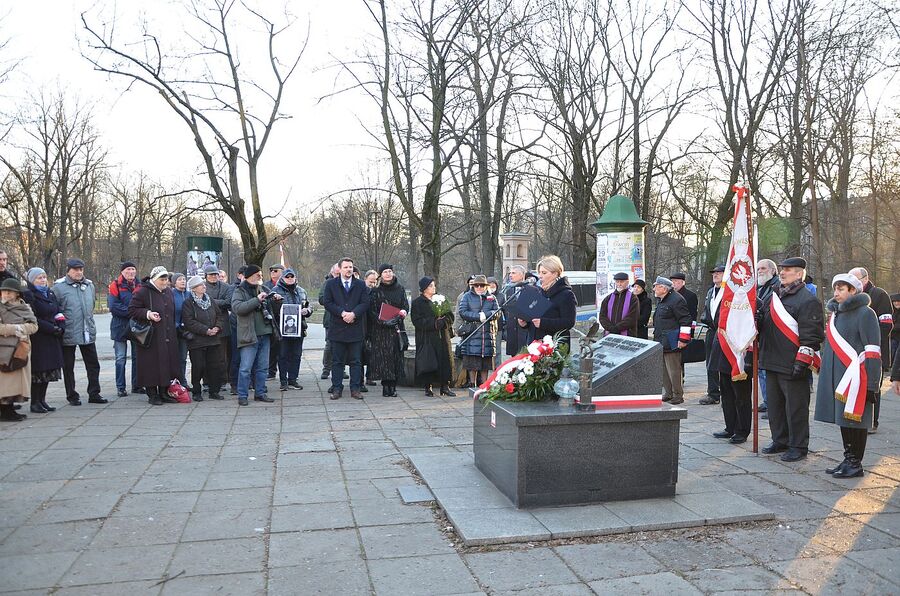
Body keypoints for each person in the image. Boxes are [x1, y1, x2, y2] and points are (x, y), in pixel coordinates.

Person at [814, 274, 881, 478]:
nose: (836, 293)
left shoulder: (865, 313)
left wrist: (872, 383)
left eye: (841, 288)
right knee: (843, 419)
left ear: (853, 291)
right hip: (839, 377)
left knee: (856, 421)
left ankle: (855, 463)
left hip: (857, 379)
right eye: (835, 288)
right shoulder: (837, 314)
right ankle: (848, 457)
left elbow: (872, 350)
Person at [757, 257, 824, 462]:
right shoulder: (774, 296)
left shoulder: (808, 300)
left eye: (788, 270)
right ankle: (780, 439)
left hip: (792, 362)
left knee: (795, 408)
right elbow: (764, 322)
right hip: (771, 359)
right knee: (775, 407)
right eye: (782, 270)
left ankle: (798, 445)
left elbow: (811, 336)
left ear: (799, 274)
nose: (783, 273)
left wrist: (802, 362)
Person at [53, 258, 106, 405]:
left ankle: (94, 393)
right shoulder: (59, 287)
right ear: (68, 270)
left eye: (81, 269)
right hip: (68, 332)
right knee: (68, 366)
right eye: (75, 269)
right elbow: (55, 309)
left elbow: (92, 306)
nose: (78, 272)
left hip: (87, 331)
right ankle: (72, 395)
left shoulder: (89, 285)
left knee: (93, 365)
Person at [128, 267, 182, 406]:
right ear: (154, 279)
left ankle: (164, 392)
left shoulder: (168, 291)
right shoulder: (143, 291)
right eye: (162, 279)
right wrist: (148, 314)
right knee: (151, 364)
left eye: (166, 279)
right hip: (151, 335)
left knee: (167, 363)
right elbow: (132, 309)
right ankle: (152, 394)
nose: (165, 282)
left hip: (167, 333)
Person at [707, 283, 752, 444]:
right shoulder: (724, 300)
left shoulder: (752, 301)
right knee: (726, 395)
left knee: (741, 397)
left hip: (740, 357)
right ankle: (730, 427)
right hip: (723, 354)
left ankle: (741, 430)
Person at [850, 267, 892, 434]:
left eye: (855, 278)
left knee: (873, 387)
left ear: (865, 279)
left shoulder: (879, 295)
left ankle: (872, 421)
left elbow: (886, 325)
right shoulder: (852, 296)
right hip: (854, 353)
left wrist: (869, 341)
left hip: (874, 351)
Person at [322, 258, 370, 400]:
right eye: (346, 267)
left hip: (355, 329)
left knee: (356, 361)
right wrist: (342, 313)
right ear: (340, 269)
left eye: (351, 267)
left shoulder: (361, 285)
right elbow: (327, 302)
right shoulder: (331, 284)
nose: (349, 269)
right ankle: (337, 388)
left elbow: (365, 302)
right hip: (337, 329)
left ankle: (355, 388)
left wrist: (354, 314)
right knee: (337, 361)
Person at [232, 265, 279, 406]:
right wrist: (257, 300)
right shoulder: (239, 291)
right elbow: (238, 308)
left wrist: (277, 301)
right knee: (245, 368)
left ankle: (260, 393)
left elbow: (273, 310)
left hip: (265, 334)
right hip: (248, 335)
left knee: (263, 367)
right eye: (258, 274)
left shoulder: (264, 289)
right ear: (250, 275)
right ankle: (242, 395)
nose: (261, 276)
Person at [24, 268, 64, 414]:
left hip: (53, 337)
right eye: (39, 278)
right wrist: (51, 328)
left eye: (44, 277)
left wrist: (61, 325)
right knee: (39, 371)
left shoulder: (50, 293)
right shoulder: (30, 295)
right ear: (32, 280)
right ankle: (35, 402)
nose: (42, 280)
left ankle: (42, 400)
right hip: (39, 337)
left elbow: (58, 311)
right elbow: (33, 317)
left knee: (49, 371)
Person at [181, 275, 225, 401]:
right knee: (198, 367)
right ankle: (196, 391)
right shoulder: (188, 303)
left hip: (213, 340)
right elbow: (189, 322)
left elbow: (219, 315)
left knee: (214, 366)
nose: (204, 286)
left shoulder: (210, 299)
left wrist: (217, 327)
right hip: (197, 341)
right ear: (194, 289)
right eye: (201, 285)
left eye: (203, 284)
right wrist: (206, 330)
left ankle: (214, 391)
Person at [0, 278, 38, 421]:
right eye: (4, 291)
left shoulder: (24, 307)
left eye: (10, 292)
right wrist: (14, 329)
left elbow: (34, 325)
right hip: (5, 350)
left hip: (21, 348)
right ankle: (5, 410)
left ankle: (10, 409)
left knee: (18, 381)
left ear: (17, 294)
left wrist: (22, 328)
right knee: (5, 382)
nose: (6, 294)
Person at [368, 264, 409, 397]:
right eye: (385, 272)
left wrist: (400, 316)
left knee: (396, 357)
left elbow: (405, 307)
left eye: (390, 271)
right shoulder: (375, 291)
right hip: (381, 331)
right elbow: (372, 310)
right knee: (385, 359)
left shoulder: (401, 289)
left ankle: (394, 387)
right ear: (380, 275)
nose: (388, 274)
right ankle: (386, 387)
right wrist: (383, 321)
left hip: (396, 328)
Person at [520, 255, 577, 347]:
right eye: (539, 272)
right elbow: (534, 318)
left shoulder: (566, 294)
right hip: (534, 345)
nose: (540, 276)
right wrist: (525, 323)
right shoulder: (538, 292)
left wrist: (543, 323)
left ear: (555, 273)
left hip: (555, 346)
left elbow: (569, 322)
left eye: (544, 273)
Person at [412, 276, 455, 397]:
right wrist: (434, 322)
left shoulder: (441, 299)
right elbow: (417, 321)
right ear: (424, 288)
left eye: (434, 285)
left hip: (442, 337)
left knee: (444, 360)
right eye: (431, 286)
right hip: (427, 338)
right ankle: (428, 386)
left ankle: (445, 386)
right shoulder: (417, 303)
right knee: (428, 361)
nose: (434, 287)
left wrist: (444, 322)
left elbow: (450, 316)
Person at [652, 276, 692, 405]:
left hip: (672, 340)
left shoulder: (676, 300)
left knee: (673, 369)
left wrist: (683, 340)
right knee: (663, 369)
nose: (653, 289)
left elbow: (685, 320)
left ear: (663, 288)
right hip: (661, 340)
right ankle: (668, 393)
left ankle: (677, 395)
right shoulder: (662, 299)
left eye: (656, 286)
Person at [269, 268, 310, 392]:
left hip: (299, 329)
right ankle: (283, 381)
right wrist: (276, 303)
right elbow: (270, 308)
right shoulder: (275, 291)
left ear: (295, 278)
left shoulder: (301, 291)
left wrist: (307, 311)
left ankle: (293, 379)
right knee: (283, 355)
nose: (290, 279)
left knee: (296, 355)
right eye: (287, 277)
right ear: (282, 278)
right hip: (283, 329)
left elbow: (308, 306)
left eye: (292, 277)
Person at [458, 275, 500, 387]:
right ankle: (472, 383)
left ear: (486, 286)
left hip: (487, 334)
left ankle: (484, 385)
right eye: (477, 285)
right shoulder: (467, 297)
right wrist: (477, 316)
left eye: (482, 285)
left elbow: (497, 312)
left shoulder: (492, 297)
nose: (479, 287)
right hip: (472, 333)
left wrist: (486, 315)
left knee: (485, 363)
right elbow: (462, 312)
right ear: (473, 286)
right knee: (472, 361)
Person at [107, 261, 140, 397]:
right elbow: (114, 306)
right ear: (122, 272)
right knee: (120, 358)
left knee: (137, 357)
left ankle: (137, 385)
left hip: (137, 326)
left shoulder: (140, 285)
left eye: (133, 269)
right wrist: (133, 312)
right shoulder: (115, 285)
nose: (131, 272)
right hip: (119, 326)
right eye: (128, 269)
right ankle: (120, 387)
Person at [755, 259, 780, 417]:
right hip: (761, 334)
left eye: (763, 268)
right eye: (758, 269)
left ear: (773, 270)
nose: (760, 271)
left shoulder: (777, 287)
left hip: (773, 334)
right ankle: (767, 401)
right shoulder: (759, 287)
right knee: (761, 371)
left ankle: (773, 404)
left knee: (767, 372)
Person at [204, 265, 234, 393]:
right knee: (205, 356)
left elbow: (229, 303)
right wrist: (219, 302)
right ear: (206, 276)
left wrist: (210, 301)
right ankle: (206, 382)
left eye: (215, 274)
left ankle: (222, 381)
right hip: (205, 326)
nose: (213, 277)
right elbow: (197, 302)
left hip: (223, 326)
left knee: (222, 357)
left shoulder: (226, 287)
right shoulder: (201, 287)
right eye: (211, 275)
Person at [699, 265, 726, 405]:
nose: (715, 275)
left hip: (724, 332)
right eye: (714, 273)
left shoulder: (729, 291)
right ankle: (713, 392)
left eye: (719, 273)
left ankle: (725, 391)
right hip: (711, 330)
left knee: (725, 363)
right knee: (710, 363)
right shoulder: (711, 291)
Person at [500, 265, 531, 356]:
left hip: (525, 330)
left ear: (522, 275)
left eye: (513, 273)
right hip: (512, 331)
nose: (510, 275)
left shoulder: (530, 290)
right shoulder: (508, 291)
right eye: (510, 273)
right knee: (514, 358)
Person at [598, 272, 639, 337]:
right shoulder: (608, 298)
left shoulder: (633, 298)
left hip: (628, 335)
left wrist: (616, 328)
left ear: (627, 282)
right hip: (609, 334)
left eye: (622, 282)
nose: (619, 284)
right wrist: (610, 328)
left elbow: (632, 317)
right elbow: (602, 316)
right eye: (617, 282)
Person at [319, 263, 340, 380]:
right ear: (332, 273)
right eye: (336, 273)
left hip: (343, 319)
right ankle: (326, 368)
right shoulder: (327, 283)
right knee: (329, 344)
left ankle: (340, 368)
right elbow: (321, 298)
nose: (338, 275)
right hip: (330, 319)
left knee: (341, 345)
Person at [264, 264, 285, 379]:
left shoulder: (286, 285)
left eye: (276, 271)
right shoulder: (266, 286)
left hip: (284, 320)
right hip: (272, 319)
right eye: (271, 270)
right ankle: (271, 371)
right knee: (272, 347)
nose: (273, 272)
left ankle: (284, 373)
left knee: (283, 348)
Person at [170, 272, 190, 387]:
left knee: (183, 358)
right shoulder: (171, 294)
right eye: (179, 279)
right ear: (174, 282)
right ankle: (173, 381)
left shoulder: (189, 294)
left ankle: (183, 381)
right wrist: (177, 325)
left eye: (184, 279)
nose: (183, 281)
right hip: (174, 330)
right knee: (173, 358)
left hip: (186, 331)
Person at [363, 269, 379, 388]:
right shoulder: (361, 291)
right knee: (360, 353)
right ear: (365, 280)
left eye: (375, 282)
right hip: (362, 325)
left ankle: (370, 376)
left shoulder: (377, 292)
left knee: (372, 353)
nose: (373, 285)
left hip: (374, 326)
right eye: (370, 282)